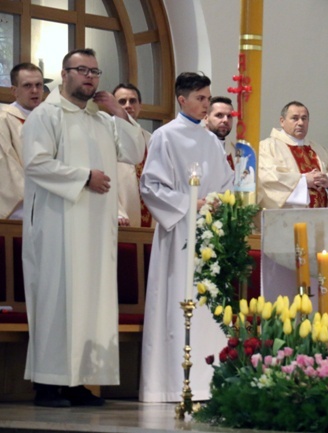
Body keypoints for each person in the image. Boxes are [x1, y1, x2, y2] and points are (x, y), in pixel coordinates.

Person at [21, 48, 145, 407]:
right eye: (82, 70)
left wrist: (119, 112)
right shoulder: (46, 115)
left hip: (95, 230)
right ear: (64, 74)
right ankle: (47, 385)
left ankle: (80, 382)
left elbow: (135, 152)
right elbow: (36, 163)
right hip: (58, 227)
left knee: (92, 303)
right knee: (58, 302)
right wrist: (84, 176)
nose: (89, 77)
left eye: (95, 71)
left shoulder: (101, 119)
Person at [139, 72, 234, 403]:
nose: (206, 104)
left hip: (209, 230)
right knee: (176, 301)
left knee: (207, 305)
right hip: (178, 228)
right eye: (201, 99)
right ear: (182, 100)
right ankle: (168, 383)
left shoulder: (210, 140)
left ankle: (207, 381)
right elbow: (150, 185)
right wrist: (190, 203)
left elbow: (225, 182)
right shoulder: (164, 136)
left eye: (208, 98)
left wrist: (220, 201)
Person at [258, 101, 328, 208]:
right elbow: (267, 179)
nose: (300, 123)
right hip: (289, 219)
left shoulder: (319, 149)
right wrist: (304, 181)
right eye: (295, 118)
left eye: (304, 118)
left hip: (322, 217)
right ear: (282, 121)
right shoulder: (267, 147)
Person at [0, 63, 44, 219]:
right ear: (14, 91)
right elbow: (6, 165)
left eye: (39, 85)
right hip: (24, 209)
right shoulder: (4, 119)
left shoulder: (51, 119)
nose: (35, 91)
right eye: (27, 86)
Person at [113, 83, 154, 227]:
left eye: (133, 101)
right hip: (119, 220)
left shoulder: (151, 139)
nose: (128, 105)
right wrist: (116, 212)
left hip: (152, 220)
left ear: (140, 105)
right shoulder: (105, 135)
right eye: (122, 102)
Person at [205, 96, 236, 170]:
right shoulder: (197, 146)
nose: (226, 120)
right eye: (219, 115)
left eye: (229, 116)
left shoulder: (234, 149)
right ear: (206, 118)